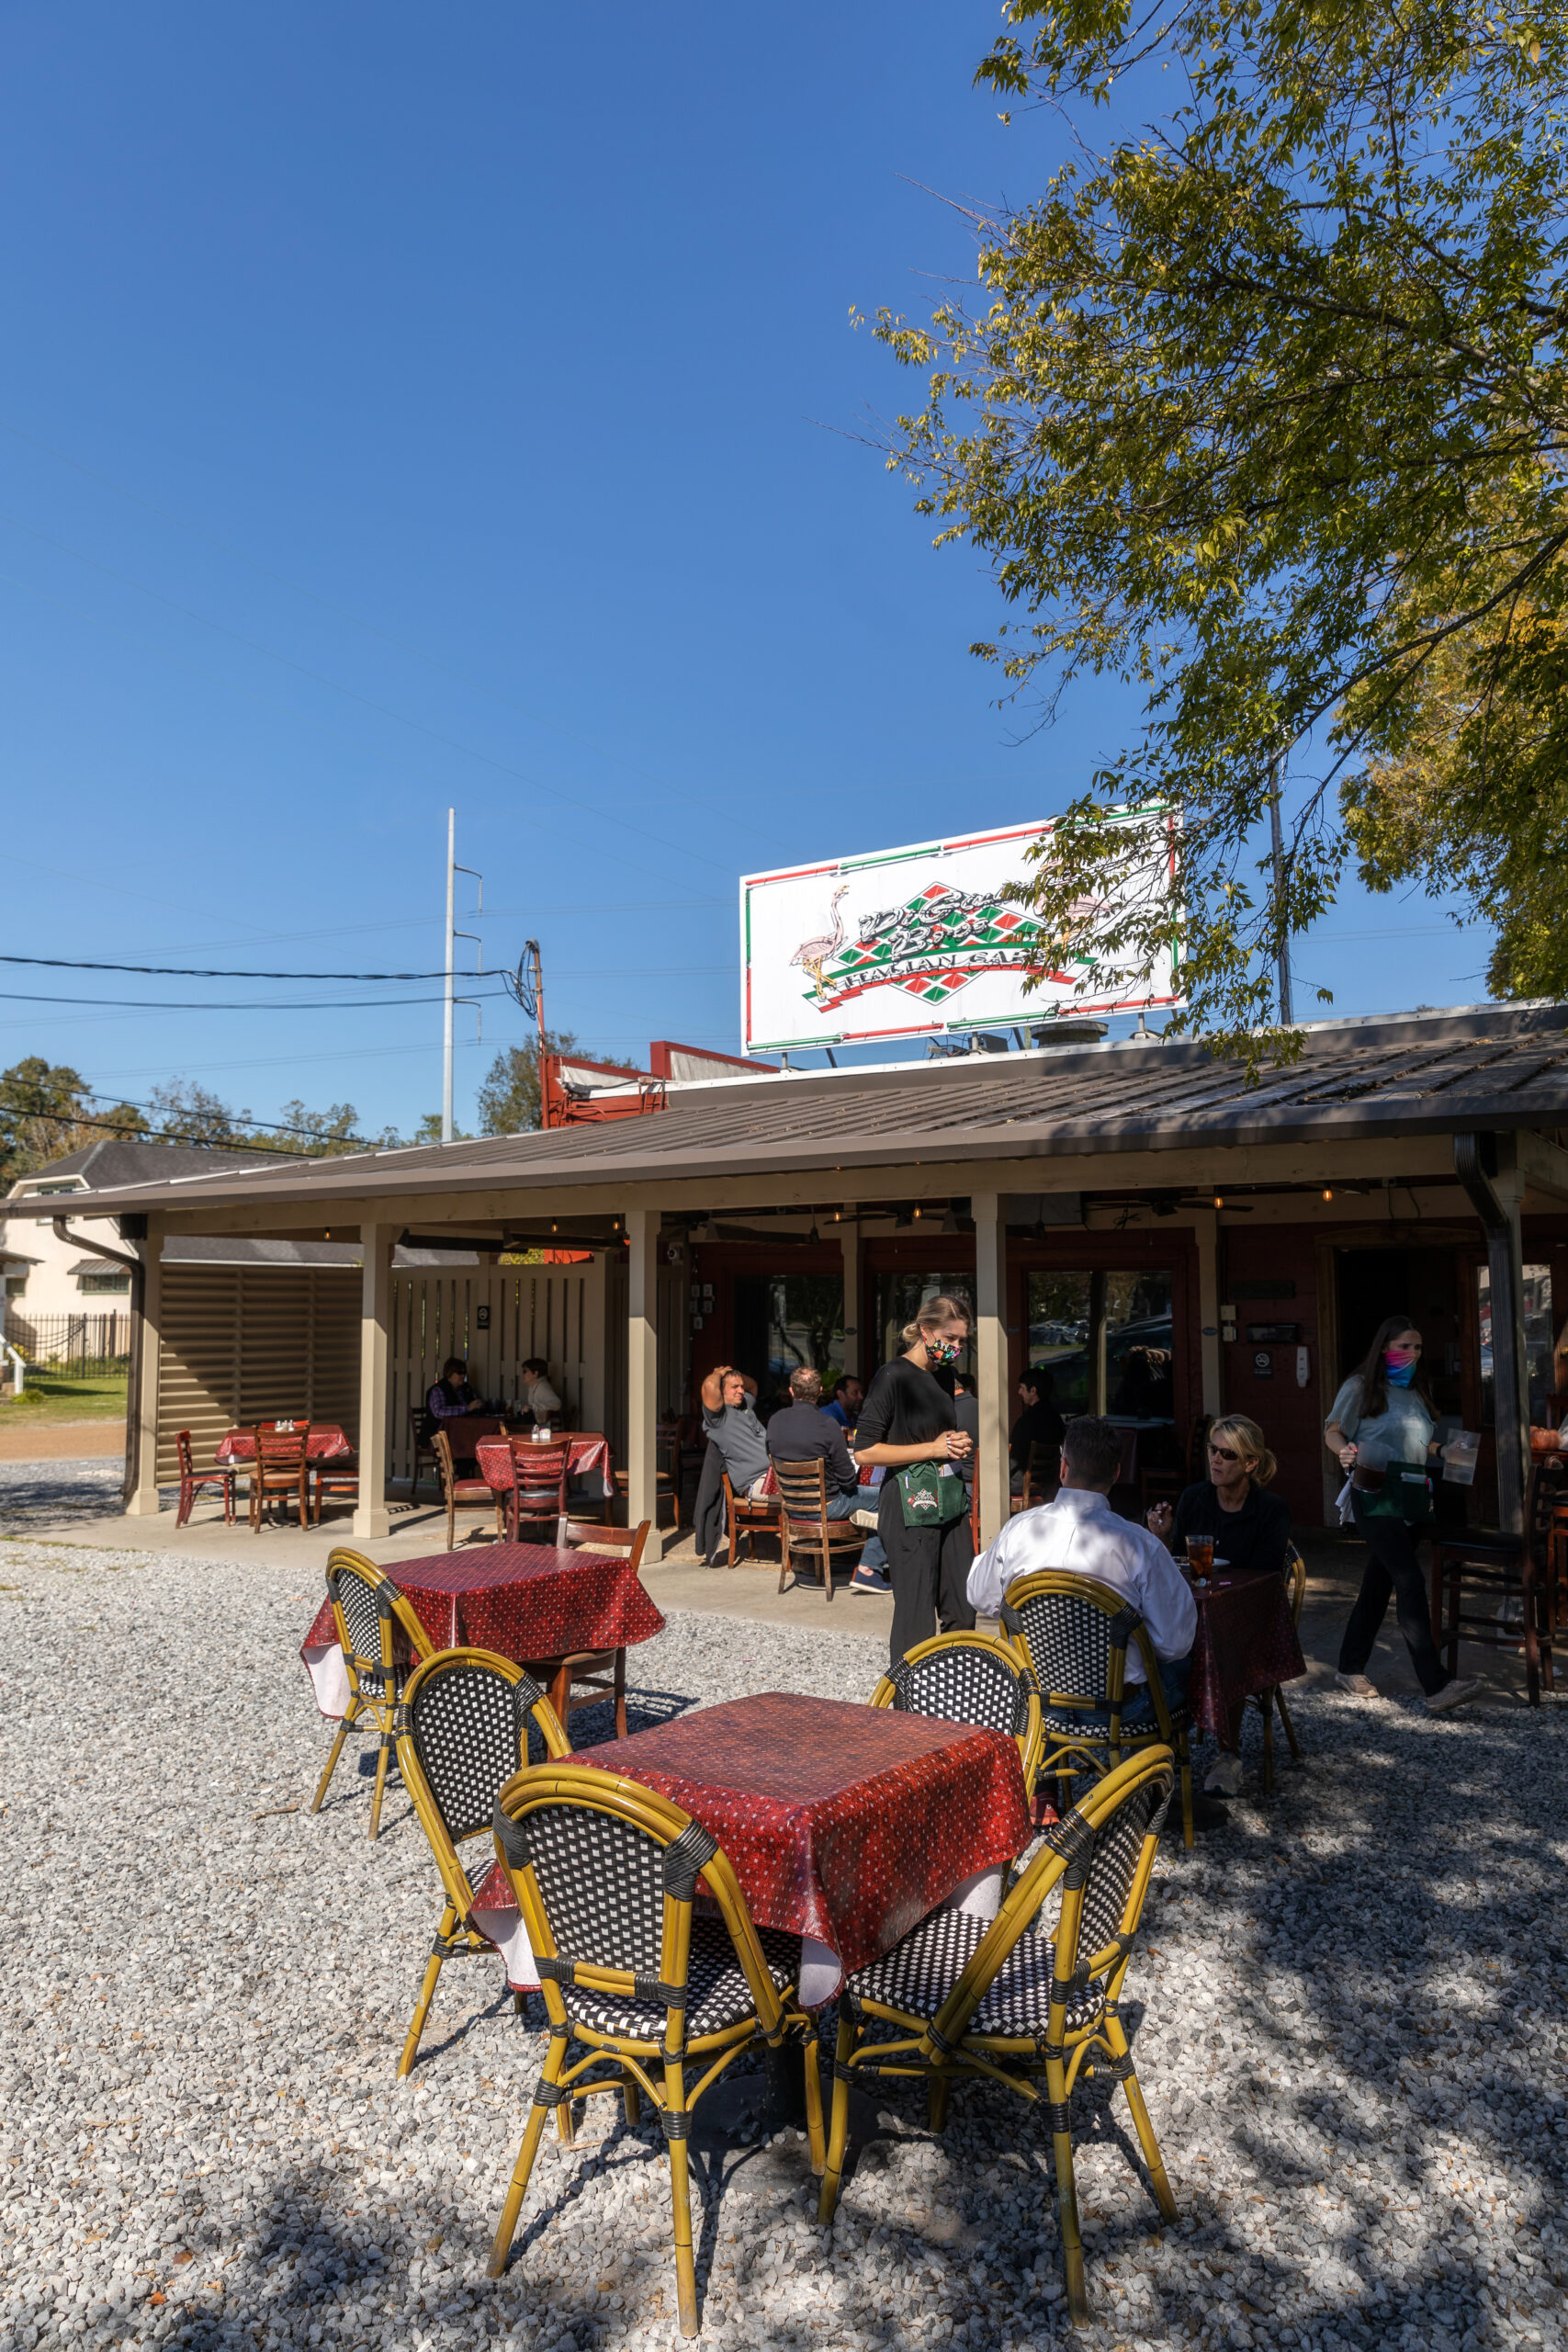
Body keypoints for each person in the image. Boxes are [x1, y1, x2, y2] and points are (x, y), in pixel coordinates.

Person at [969, 1414, 1197, 1725]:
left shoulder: (1018, 1530)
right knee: (1189, 1666)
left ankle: (1045, 1763)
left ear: (1063, 1468)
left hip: (1038, 1701)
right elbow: (1174, 1643)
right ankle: (1142, 1770)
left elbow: (980, 1596)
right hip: (1119, 1710)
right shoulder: (1142, 1546)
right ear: (1116, 1474)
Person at [1325, 1316, 1483, 1714]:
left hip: (1413, 1495)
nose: (1411, 1353)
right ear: (1384, 1349)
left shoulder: (1416, 1391)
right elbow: (1332, 1429)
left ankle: (1349, 1667)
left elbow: (1422, 1444)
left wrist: (1446, 1453)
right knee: (1409, 1580)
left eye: (1417, 1346)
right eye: (1403, 1346)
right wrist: (1343, 1450)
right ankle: (1436, 1685)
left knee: (1378, 1586)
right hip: (1373, 1490)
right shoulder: (1359, 1387)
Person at [1147, 1414, 1290, 1794]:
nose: (1216, 1460)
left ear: (1250, 1463)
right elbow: (1175, 1563)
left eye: (1228, 1454)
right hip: (1198, 1609)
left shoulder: (1270, 1508)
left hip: (1249, 1616)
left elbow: (1267, 1575)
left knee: (1225, 1643)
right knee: (1148, 1635)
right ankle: (1159, 1742)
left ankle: (1229, 1755)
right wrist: (1159, 1538)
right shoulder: (1195, 1498)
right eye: (1213, 1450)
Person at [851, 1294, 976, 1665]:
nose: (955, 1347)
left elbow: (936, 1435)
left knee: (962, 1607)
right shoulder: (892, 1376)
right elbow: (865, 1452)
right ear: (925, 1331)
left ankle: (956, 1693)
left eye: (961, 1341)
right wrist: (933, 1449)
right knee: (916, 1615)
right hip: (907, 1504)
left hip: (949, 1499)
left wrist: (955, 1442)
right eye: (950, 1338)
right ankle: (908, 1708)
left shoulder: (945, 1375)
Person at [697, 1363, 772, 1562]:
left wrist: (734, 1374)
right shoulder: (718, 1417)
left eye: (741, 1387)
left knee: (816, 1487)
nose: (741, 1390)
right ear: (722, 1392)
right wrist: (720, 1373)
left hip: (775, 1475)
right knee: (803, 1495)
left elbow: (753, 1385)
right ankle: (804, 1555)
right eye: (734, 1387)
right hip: (755, 1483)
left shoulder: (745, 1404)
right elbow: (708, 1388)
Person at [766, 1367, 862, 1518]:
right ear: (820, 1392)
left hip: (790, 1506)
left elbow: (770, 1455)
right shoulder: (828, 1424)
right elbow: (848, 1479)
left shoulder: (775, 1421)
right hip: (827, 1506)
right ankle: (870, 1542)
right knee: (884, 1498)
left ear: (791, 1391)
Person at [1010, 1371, 1066, 1490]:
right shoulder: (1057, 1419)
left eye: (1022, 1388)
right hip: (1048, 1483)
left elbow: (1014, 1459)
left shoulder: (1026, 1421)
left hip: (1021, 1484)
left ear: (1033, 1391)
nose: (1019, 1392)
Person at [426, 1356, 480, 1422]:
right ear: (449, 1373)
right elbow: (439, 1412)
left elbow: (475, 1403)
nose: (463, 1376)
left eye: (464, 1373)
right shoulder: (438, 1389)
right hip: (438, 1430)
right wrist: (467, 1408)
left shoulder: (466, 1388)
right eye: (459, 1373)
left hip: (461, 1427)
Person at [519, 1357, 561, 1426]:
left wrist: (534, 1407)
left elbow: (557, 1404)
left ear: (535, 1373)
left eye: (525, 1371)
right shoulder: (532, 1387)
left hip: (545, 1428)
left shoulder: (542, 1387)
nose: (523, 1374)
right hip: (538, 1425)